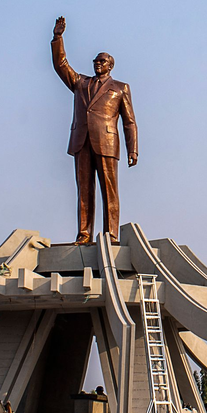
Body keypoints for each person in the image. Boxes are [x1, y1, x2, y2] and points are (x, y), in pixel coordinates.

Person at [51, 16, 138, 245]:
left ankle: (111, 235)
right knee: (84, 191)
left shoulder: (120, 88)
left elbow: (129, 122)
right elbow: (61, 66)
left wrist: (133, 150)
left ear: (110, 65)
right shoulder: (81, 83)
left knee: (109, 190)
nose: (97, 63)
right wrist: (58, 38)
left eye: (101, 61)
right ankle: (84, 234)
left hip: (107, 143)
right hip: (82, 141)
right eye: (95, 60)